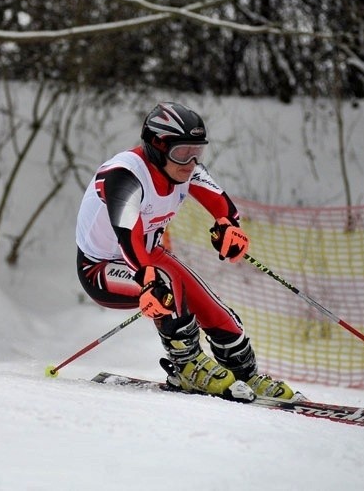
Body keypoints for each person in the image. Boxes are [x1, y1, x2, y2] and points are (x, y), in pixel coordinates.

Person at [75, 101, 296, 400]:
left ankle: (245, 374)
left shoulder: (185, 169)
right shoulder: (125, 175)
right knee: (168, 289)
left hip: (150, 256)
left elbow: (221, 204)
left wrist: (229, 226)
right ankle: (188, 365)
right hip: (101, 267)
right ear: (156, 145)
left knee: (216, 311)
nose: (190, 162)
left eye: (198, 152)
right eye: (182, 152)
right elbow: (128, 235)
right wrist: (147, 280)